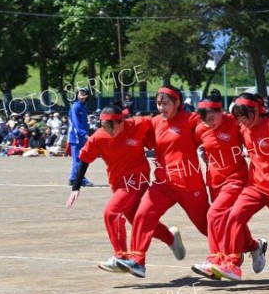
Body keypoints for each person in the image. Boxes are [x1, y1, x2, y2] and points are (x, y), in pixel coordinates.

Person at [66, 102, 184, 273]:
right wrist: (76, 187)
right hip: (118, 184)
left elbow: (161, 123)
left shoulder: (139, 124)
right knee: (138, 221)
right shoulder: (99, 137)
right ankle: (171, 238)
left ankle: (121, 256)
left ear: (122, 121)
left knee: (111, 212)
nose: (108, 131)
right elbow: (84, 159)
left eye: (111, 127)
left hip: (138, 178)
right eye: (105, 127)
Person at [117, 86, 210, 278]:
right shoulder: (155, 122)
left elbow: (214, 124)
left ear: (177, 103)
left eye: (166, 103)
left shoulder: (190, 119)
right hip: (162, 183)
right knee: (142, 215)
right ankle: (137, 261)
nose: (161, 107)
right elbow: (134, 128)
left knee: (206, 226)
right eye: (159, 103)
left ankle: (249, 245)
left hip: (189, 184)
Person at [210, 93, 269, 281]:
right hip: (255, 186)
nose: (242, 120)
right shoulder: (243, 130)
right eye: (238, 116)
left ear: (257, 111)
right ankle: (232, 264)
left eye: (245, 115)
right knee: (234, 216)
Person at [190, 92, 249, 280]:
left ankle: (217, 260)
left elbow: (253, 137)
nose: (209, 122)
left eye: (212, 118)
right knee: (227, 219)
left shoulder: (235, 122)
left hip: (236, 178)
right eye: (205, 120)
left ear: (221, 111)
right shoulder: (200, 129)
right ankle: (254, 247)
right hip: (214, 181)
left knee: (214, 214)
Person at [68, 88, 93, 187]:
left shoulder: (84, 106)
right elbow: (76, 123)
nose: (81, 96)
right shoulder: (75, 106)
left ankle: (73, 178)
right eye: (80, 94)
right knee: (79, 158)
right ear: (77, 95)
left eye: (84, 94)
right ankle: (81, 179)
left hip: (82, 136)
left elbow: (84, 123)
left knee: (79, 158)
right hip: (76, 137)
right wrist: (84, 134)